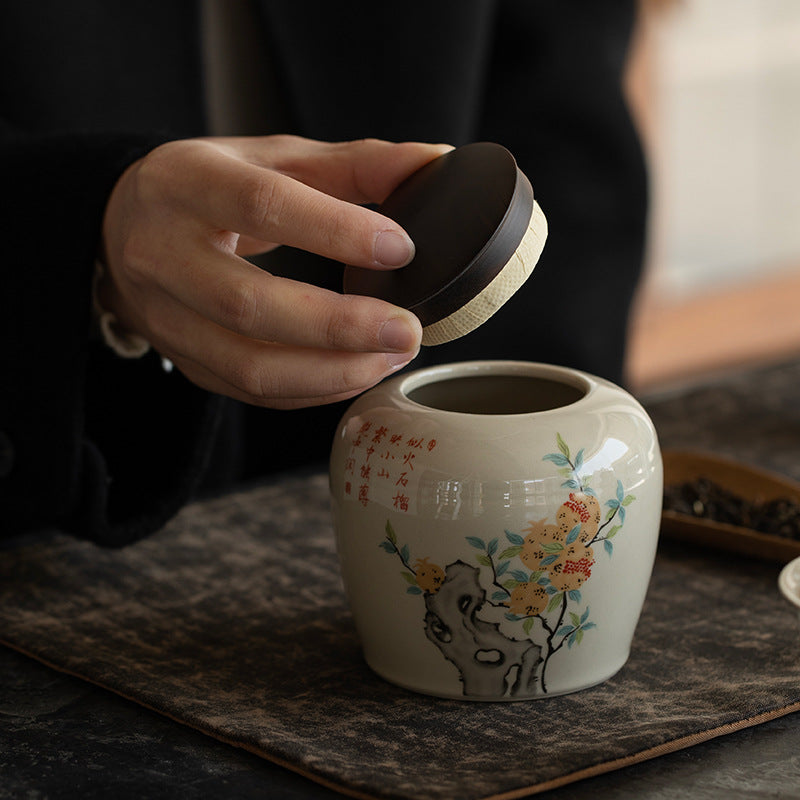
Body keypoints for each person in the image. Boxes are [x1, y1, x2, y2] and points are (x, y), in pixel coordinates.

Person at [0, 1, 648, 545]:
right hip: (63, 468)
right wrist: (83, 226)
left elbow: (559, 83)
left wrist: (537, 457)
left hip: (420, 459)